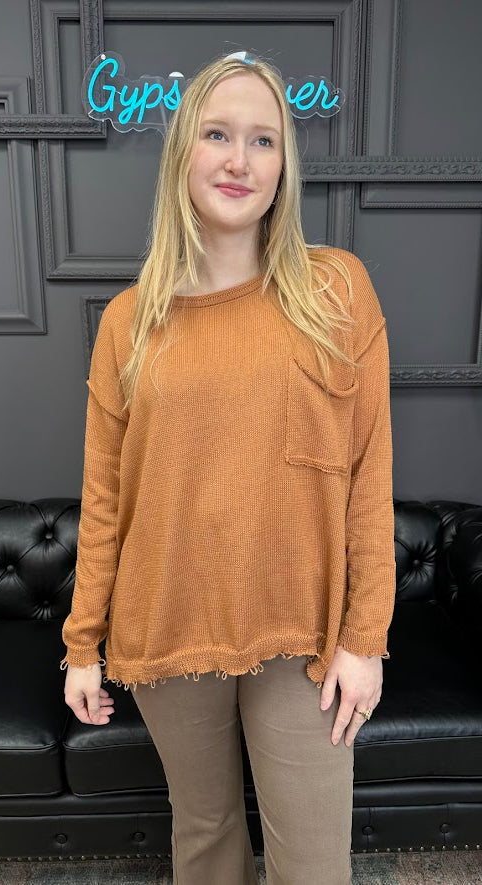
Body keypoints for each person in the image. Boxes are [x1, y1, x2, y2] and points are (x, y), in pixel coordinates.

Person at [60, 50, 395, 885]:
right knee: (205, 838)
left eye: (263, 140)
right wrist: (81, 645)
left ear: (284, 167)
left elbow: (368, 478)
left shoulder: (339, 291)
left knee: (313, 863)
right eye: (216, 134)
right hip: (168, 623)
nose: (239, 159)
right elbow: (104, 498)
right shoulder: (130, 322)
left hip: (303, 630)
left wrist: (366, 640)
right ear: (183, 153)